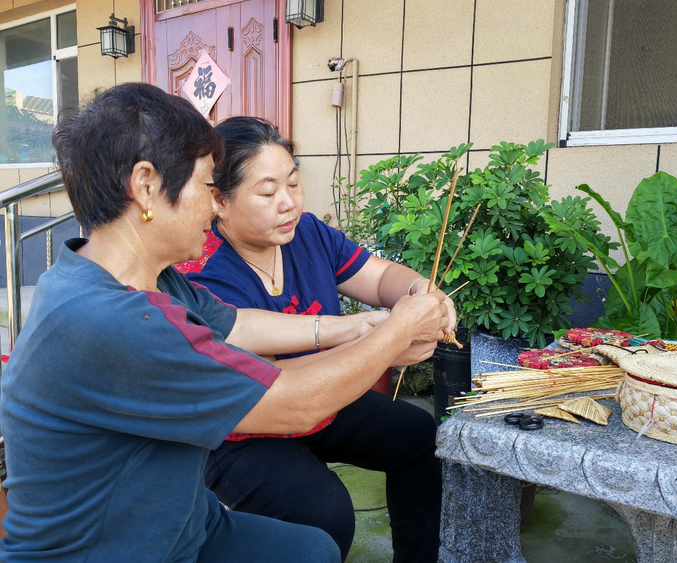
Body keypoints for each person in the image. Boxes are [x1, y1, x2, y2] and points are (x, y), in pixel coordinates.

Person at [0, 83, 450, 562]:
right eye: (204, 184)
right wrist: (396, 333)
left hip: (185, 527)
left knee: (312, 549)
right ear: (147, 185)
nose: (212, 205)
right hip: (116, 550)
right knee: (321, 522)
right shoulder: (111, 319)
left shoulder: (143, 279)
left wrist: (360, 328)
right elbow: (291, 403)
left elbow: (236, 326)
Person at [182, 116, 457, 562]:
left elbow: (380, 276)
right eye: (268, 192)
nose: (288, 203)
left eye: (293, 183)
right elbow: (272, 381)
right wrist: (386, 339)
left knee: (419, 436)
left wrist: (420, 295)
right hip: (245, 428)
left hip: (324, 399)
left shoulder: (307, 232)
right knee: (325, 513)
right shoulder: (202, 272)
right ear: (219, 200)